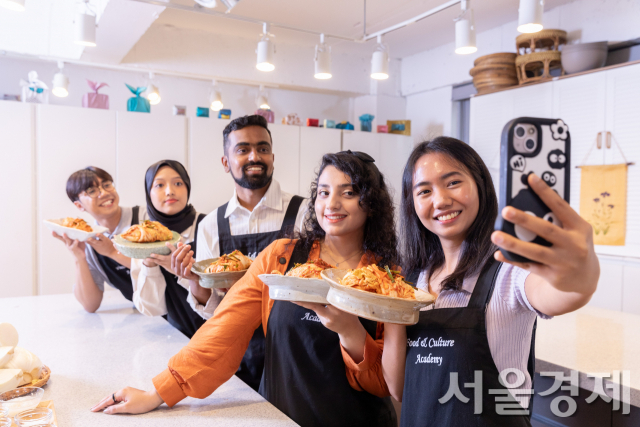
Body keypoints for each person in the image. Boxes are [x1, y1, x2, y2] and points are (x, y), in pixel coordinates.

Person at [92, 151, 399, 427]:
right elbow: (224, 329)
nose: (332, 203)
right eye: (323, 192)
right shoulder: (282, 257)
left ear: (371, 202)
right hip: (279, 416)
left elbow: (386, 384)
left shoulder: (388, 277)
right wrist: (157, 393)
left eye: (348, 192)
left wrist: (351, 332)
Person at [380, 137, 599, 426]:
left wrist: (581, 276)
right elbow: (398, 389)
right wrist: (391, 307)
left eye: (453, 182)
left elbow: (561, 293)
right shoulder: (409, 279)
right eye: (424, 191)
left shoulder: (508, 269)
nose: (441, 200)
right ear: (412, 204)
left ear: (480, 185)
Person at [170, 115, 306, 391]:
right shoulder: (211, 225)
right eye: (242, 149)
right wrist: (195, 282)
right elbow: (216, 313)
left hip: (299, 352)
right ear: (226, 162)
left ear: (272, 156)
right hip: (242, 358)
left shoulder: (305, 213)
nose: (255, 156)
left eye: (263, 148)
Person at [129, 160, 208, 339]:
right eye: (159, 185)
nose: (170, 191)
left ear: (188, 188)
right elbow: (152, 309)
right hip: (175, 338)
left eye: (178, 183)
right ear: (149, 193)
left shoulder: (209, 226)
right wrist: (149, 265)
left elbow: (224, 294)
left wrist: (182, 271)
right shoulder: (143, 237)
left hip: (216, 336)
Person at [53, 167, 140, 313]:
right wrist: (79, 257)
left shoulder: (145, 219)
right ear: (79, 205)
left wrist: (112, 252)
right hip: (145, 319)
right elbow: (90, 305)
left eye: (107, 185)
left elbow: (163, 269)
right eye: (92, 191)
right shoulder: (91, 242)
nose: (105, 193)